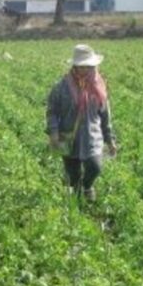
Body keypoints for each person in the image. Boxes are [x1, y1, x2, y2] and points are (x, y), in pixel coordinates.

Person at [45, 44, 117, 202]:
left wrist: (110, 139)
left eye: (89, 66)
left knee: (95, 166)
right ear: (75, 66)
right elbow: (52, 110)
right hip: (69, 137)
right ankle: (77, 204)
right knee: (73, 174)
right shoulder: (62, 87)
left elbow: (105, 115)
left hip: (92, 136)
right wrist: (54, 132)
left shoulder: (99, 86)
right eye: (82, 66)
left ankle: (88, 186)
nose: (85, 69)